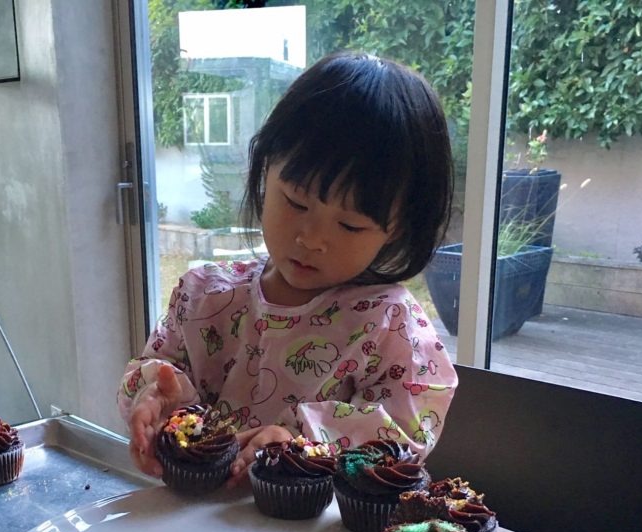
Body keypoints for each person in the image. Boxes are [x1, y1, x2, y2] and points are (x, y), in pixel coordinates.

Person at [119, 52, 457, 484]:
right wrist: (155, 397)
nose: (312, 239)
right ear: (264, 169)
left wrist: (304, 439)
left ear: (395, 230)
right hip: (193, 528)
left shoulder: (390, 326)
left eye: (351, 225)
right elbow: (152, 370)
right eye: (296, 202)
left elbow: (407, 433)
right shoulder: (204, 296)